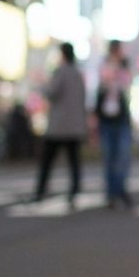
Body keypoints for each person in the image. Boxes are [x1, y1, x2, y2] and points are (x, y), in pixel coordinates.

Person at [34, 42, 87, 207]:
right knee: (74, 161)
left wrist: (41, 83)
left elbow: (51, 92)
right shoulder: (78, 74)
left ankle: (40, 191)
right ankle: (74, 191)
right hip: (75, 126)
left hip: (59, 126)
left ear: (62, 55)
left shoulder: (60, 72)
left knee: (47, 160)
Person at [96, 40, 134, 209]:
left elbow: (126, 83)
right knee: (110, 158)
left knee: (123, 157)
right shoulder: (104, 66)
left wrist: (121, 67)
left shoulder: (124, 66)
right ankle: (112, 193)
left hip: (121, 118)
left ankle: (120, 189)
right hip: (107, 119)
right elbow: (103, 83)